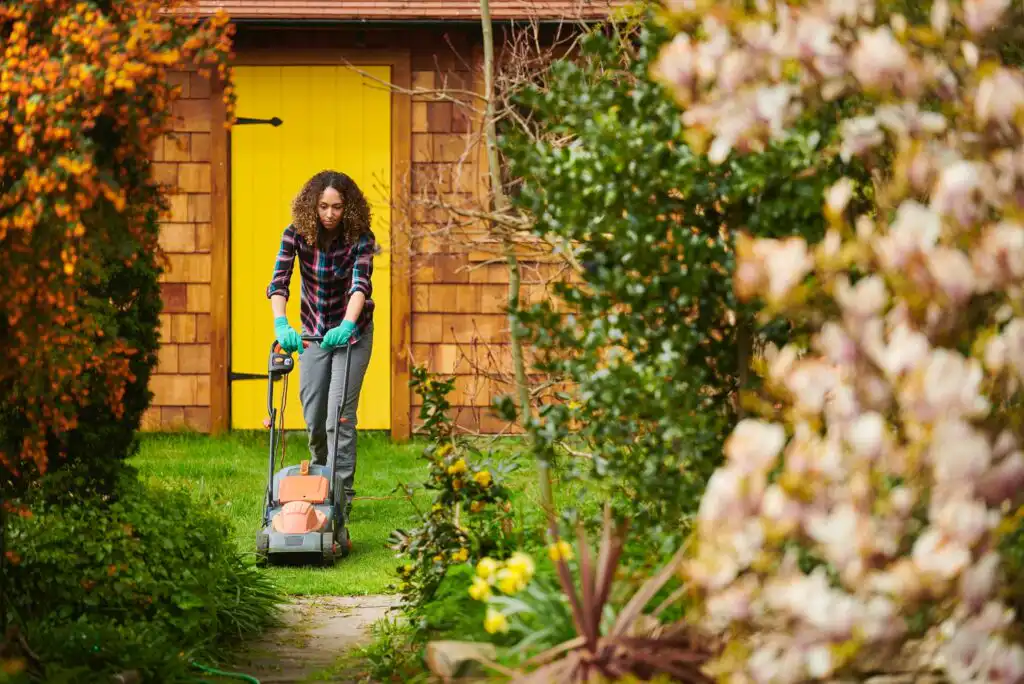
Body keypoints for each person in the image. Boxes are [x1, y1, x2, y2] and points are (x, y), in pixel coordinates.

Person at [266, 170, 378, 541]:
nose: (330, 214)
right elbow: (279, 281)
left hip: (351, 334)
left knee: (338, 417)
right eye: (324, 206)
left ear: (349, 208)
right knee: (314, 416)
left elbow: (360, 285)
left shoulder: (360, 238)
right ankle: (319, 477)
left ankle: (339, 498)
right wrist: (282, 325)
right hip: (314, 332)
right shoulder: (295, 234)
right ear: (312, 207)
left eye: (338, 207)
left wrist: (347, 324)